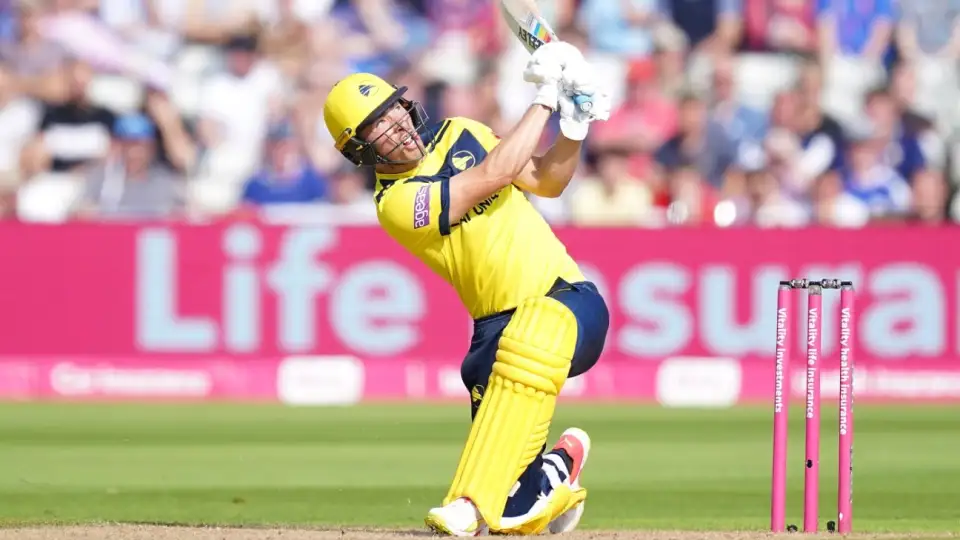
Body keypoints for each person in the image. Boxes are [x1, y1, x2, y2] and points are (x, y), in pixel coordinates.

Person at [321, 41, 612, 536]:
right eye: (381, 128)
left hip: (568, 301)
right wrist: (544, 97)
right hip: (496, 334)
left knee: (535, 332)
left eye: (396, 112)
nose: (399, 129)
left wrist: (575, 127)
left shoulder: (463, 131)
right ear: (360, 148)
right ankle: (557, 472)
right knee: (515, 507)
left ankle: (468, 505)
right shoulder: (396, 202)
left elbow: (546, 179)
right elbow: (491, 176)